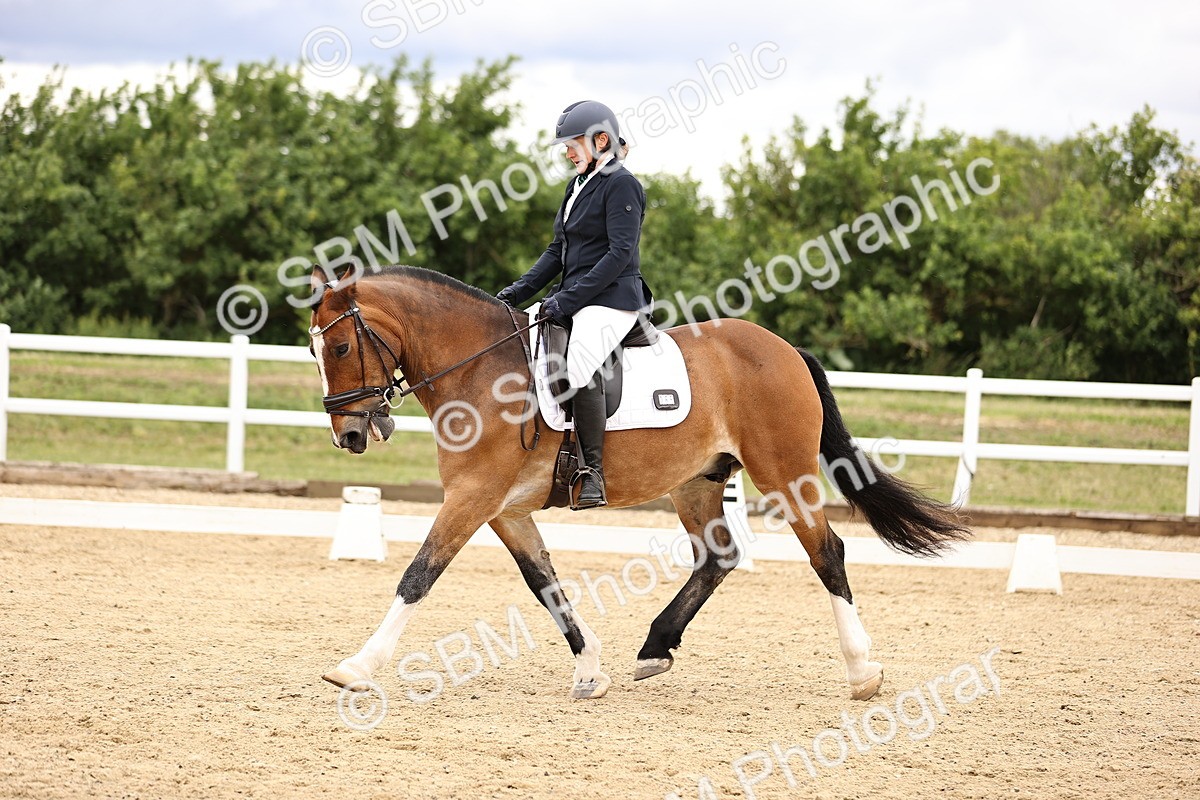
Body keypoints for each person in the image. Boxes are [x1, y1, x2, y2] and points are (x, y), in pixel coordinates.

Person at [497, 100, 652, 509]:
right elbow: (557, 251)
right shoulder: (578, 185)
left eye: (572, 144)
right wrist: (516, 292)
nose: (567, 153)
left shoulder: (622, 184)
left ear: (601, 140)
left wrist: (567, 299)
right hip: (577, 297)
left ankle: (592, 473)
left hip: (612, 299)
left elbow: (619, 253)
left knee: (580, 363)